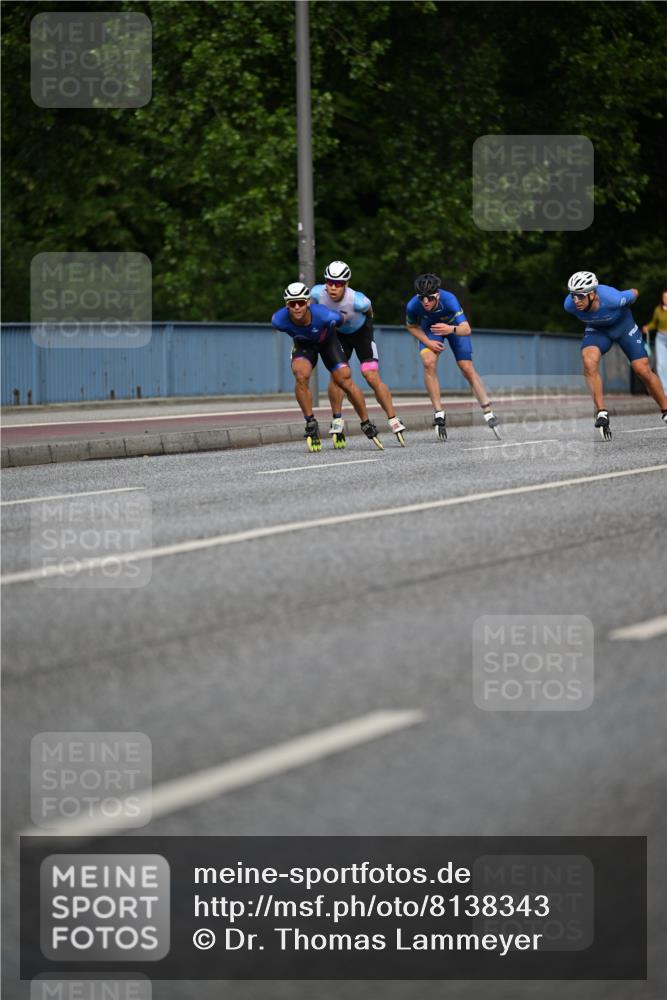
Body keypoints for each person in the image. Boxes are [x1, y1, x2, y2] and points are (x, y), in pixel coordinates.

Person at [271, 282, 382, 451]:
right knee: (301, 376)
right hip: (304, 346)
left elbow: (346, 320)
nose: (297, 307)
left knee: (344, 379)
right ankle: (310, 422)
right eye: (292, 304)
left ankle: (365, 422)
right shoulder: (278, 320)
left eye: (300, 302)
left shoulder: (325, 315)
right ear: (287, 305)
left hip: (328, 343)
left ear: (308, 302)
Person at [310, 260, 406, 447]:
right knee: (336, 376)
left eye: (338, 283)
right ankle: (337, 419)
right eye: (329, 282)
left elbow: (370, 313)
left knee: (370, 375)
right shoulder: (317, 293)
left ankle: (393, 418)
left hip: (361, 333)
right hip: (339, 335)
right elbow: (311, 308)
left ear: (347, 283)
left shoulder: (359, 301)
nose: (333, 287)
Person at [564, 271, 667, 439]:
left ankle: (665, 410)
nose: (576, 300)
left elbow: (634, 292)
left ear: (593, 294)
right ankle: (601, 413)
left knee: (642, 370)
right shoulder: (569, 305)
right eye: (573, 295)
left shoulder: (612, 298)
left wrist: (632, 297)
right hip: (598, 330)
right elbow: (574, 301)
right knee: (588, 361)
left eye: (580, 296)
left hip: (623, 327)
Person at [405, 273, 500, 440]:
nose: (425, 302)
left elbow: (466, 329)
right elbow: (411, 326)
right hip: (431, 330)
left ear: (438, 295)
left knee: (466, 367)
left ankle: (487, 410)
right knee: (428, 362)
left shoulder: (449, 300)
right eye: (421, 298)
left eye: (429, 298)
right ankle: (439, 414)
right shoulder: (413, 305)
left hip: (454, 328)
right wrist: (428, 342)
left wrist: (451, 329)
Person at [642, 289, 667, 394]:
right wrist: (648, 327)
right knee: (661, 364)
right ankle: (665, 390)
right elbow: (654, 323)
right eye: (664, 297)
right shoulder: (658, 309)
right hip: (660, 337)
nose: (666, 299)